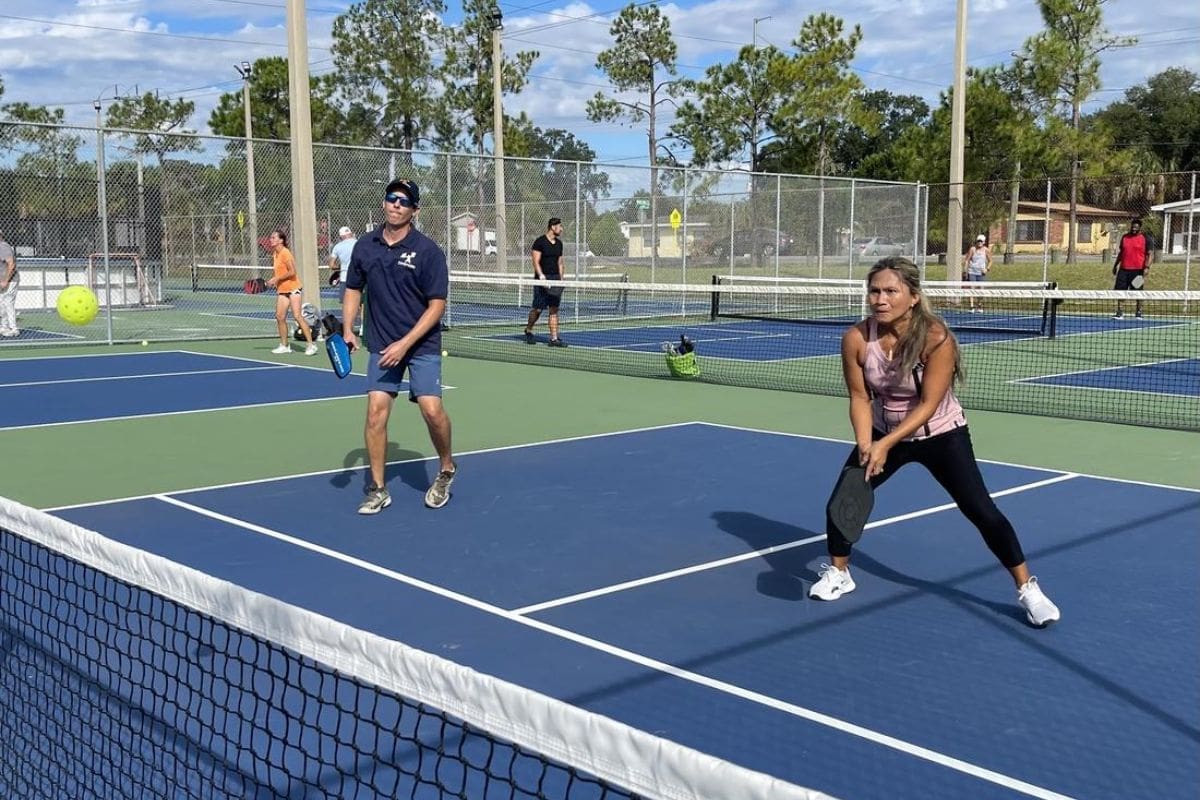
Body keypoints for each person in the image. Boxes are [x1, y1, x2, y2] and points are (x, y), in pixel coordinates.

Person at [809, 256, 1060, 628]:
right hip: (881, 431)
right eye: (875, 290)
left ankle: (1028, 588)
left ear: (912, 296)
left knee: (981, 511)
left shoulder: (935, 337)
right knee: (843, 500)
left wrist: (886, 444)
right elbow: (860, 397)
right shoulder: (856, 339)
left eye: (891, 291)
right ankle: (839, 573)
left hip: (940, 434)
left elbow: (928, 405)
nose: (880, 298)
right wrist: (866, 443)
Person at [342, 179, 458, 512]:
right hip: (381, 343)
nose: (396, 204)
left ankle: (447, 467)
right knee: (376, 413)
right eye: (391, 198)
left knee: (432, 412)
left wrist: (405, 344)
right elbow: (352, 289)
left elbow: (437, 306)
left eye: (404, 201)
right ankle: (378, 488)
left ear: (414, 210)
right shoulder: (366, 246)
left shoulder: (428, 252)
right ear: (384, 203)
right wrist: (348, 328)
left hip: (420, 345)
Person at [264, 229, 317, 355]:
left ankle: (311, 345)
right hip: (282, 289)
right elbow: (280, 273)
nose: (271, 239)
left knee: (297, 316)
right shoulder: (275, 254)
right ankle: (284, 345)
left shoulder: (285, 253)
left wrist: (277, 279)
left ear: (281, 240)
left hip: (293, 289)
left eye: (273, 237)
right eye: (271, 237)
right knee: (279, 316)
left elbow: (292, 271)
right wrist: (274, 281)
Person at [523, 217, 568, 347]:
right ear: (553, 227)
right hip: (541, 279)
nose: (561, 229)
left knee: (554, 309)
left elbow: (560, 262)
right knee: (537, 309)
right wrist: (541, 277)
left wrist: (561, 279)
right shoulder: (539, 242)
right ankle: (529, 330)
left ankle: (554, 338)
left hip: (555, 279)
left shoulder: (559, 244)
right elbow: (535, 262)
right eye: (560, 226)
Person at [1112, 217, 1152, 319]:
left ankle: (1138, 312)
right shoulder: (1125, 237)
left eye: (1136, 227)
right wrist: (1115, 265)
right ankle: (1120, 312)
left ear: (1140, 228)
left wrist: (1147, 267)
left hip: (1138, 271)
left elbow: (1150, 254)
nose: (1133, 229)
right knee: (1121, 292)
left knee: (1138, 292)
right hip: (1123, 270)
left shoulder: (1146, 238)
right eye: (1132, 227)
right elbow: (1121, 253)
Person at [328, 225, 358, 305]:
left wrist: (339, 268)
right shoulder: (358, 243)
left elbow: (331, 265)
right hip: (358, 276)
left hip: (344, 277)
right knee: (359, 302)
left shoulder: (337, 247)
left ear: (341, 236)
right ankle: (361, 317)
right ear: (351, 234)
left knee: (346, 303)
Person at [961, 234, 991, 312]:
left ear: (984, 242)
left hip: (981, 273)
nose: (979, 242)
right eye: (978, 241)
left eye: (981, 241)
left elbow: (991, 261)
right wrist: (965, 270)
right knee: (972, 288)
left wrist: (987, 269)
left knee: (981, 289)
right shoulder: (972, 249)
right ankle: (971, 306)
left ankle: (980, 306)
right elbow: (967, 260)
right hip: (972, 272)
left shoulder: (986, 250)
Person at [0, 229, 18, 338]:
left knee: (8, 302)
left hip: (11, 280)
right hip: (2, 280)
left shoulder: (3, 247)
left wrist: (6, 280)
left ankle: (13, 328)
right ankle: (4, 326)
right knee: (2, 303)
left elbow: (11, 264)